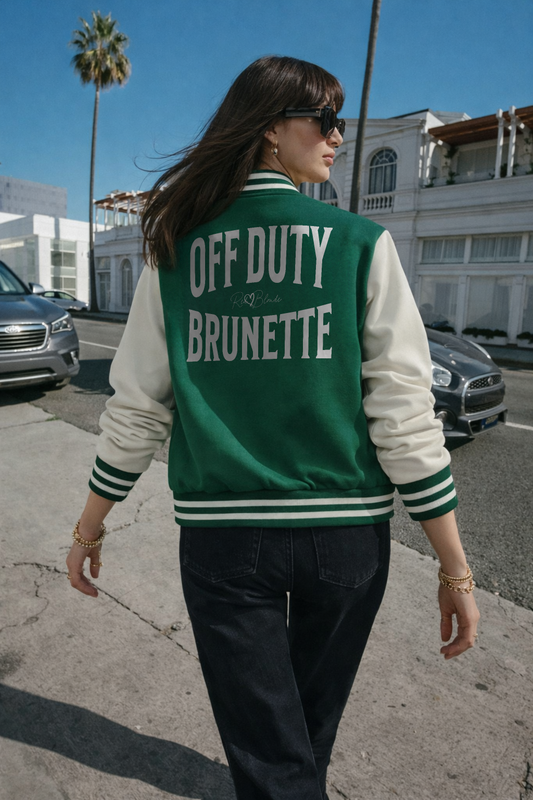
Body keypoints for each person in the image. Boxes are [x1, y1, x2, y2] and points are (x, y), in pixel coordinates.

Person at [66, 55, 480, 800]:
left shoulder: (174, 250)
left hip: (224, 539)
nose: (337, 139)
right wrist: (453, 566)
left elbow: (137, 405)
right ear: (268, 131)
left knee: (273, 755)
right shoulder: (359, 245)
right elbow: (404, 417)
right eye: (324, 121)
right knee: (302, 741)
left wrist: (91, 522)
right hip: (346, 539)